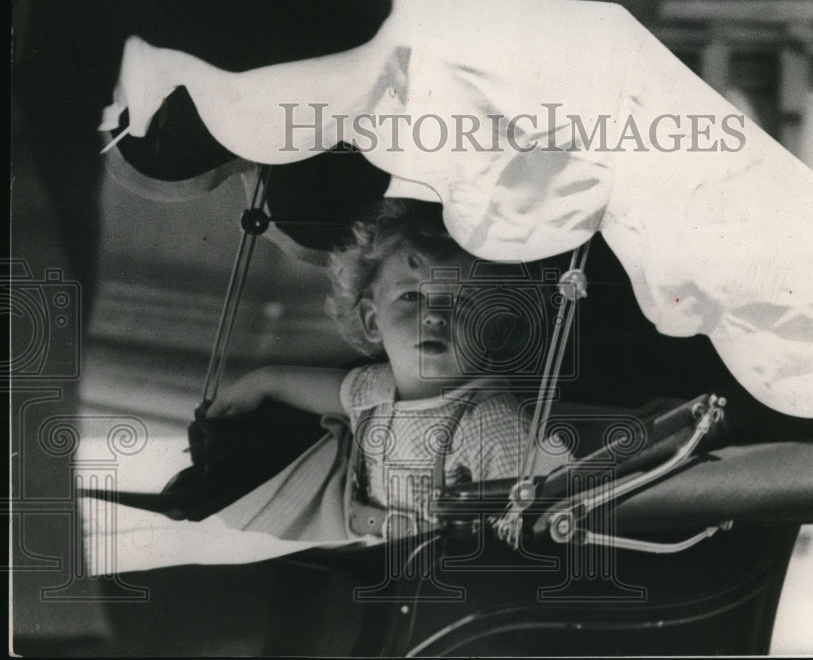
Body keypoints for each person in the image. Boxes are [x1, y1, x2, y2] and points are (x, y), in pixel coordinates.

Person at [207, 199, 570, 538]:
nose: (433, 317)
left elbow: (532, 520)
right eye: (412, 296)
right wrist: (263, 381)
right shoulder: (376, 389)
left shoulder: (490, 422)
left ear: (497, 330)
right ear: (371, 320)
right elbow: (335, 393)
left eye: (462, 301)